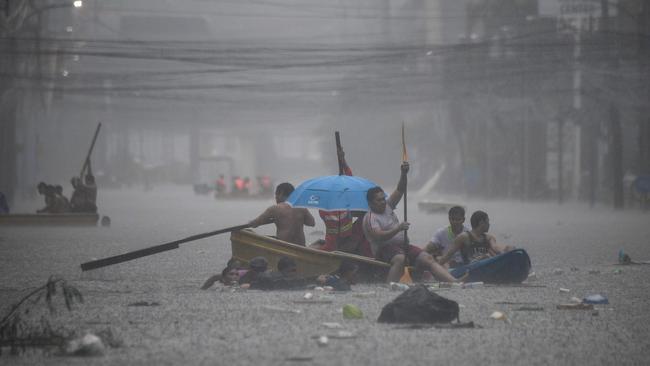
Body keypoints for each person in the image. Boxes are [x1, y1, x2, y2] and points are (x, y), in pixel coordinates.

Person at [362, 162, 460, 283]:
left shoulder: (388, 205)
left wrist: (404, 173)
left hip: (403, 246)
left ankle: (454, 282)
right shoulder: (370, 217)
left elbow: (400, 189)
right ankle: (389, 287)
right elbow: (379, 236)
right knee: (400, 259)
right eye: (379, 200)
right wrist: (398, 229)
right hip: (384, 250)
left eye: (383, 198)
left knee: (428, 258)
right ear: (371, 203)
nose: (383, 202)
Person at [314, 147, 372, 257]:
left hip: (348, 242)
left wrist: (343, 160)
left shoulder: (346, 205)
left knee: (365, 216)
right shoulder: (325, 209)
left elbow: (350, 180)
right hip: (333, 246)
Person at [248, 182, 315, 246]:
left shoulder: (275, 209)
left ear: (281, 193)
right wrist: (299, 219)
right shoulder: (301, 207)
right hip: (301, 247)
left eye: (276, 194)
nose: (275, 197)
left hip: (284, 247)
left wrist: (251, 222)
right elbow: (312, 223)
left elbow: (255, 223)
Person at [438, 210, 511, 267]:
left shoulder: (489, 238)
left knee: (507, 249)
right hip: (470, 268)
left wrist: (506, 253)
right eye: (487, 222)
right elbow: (448, 255)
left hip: (486, 263)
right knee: (486, 256)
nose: (489, 224)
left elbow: (495, 248)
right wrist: (436, 268)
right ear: (481, 223)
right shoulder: (463, 237)